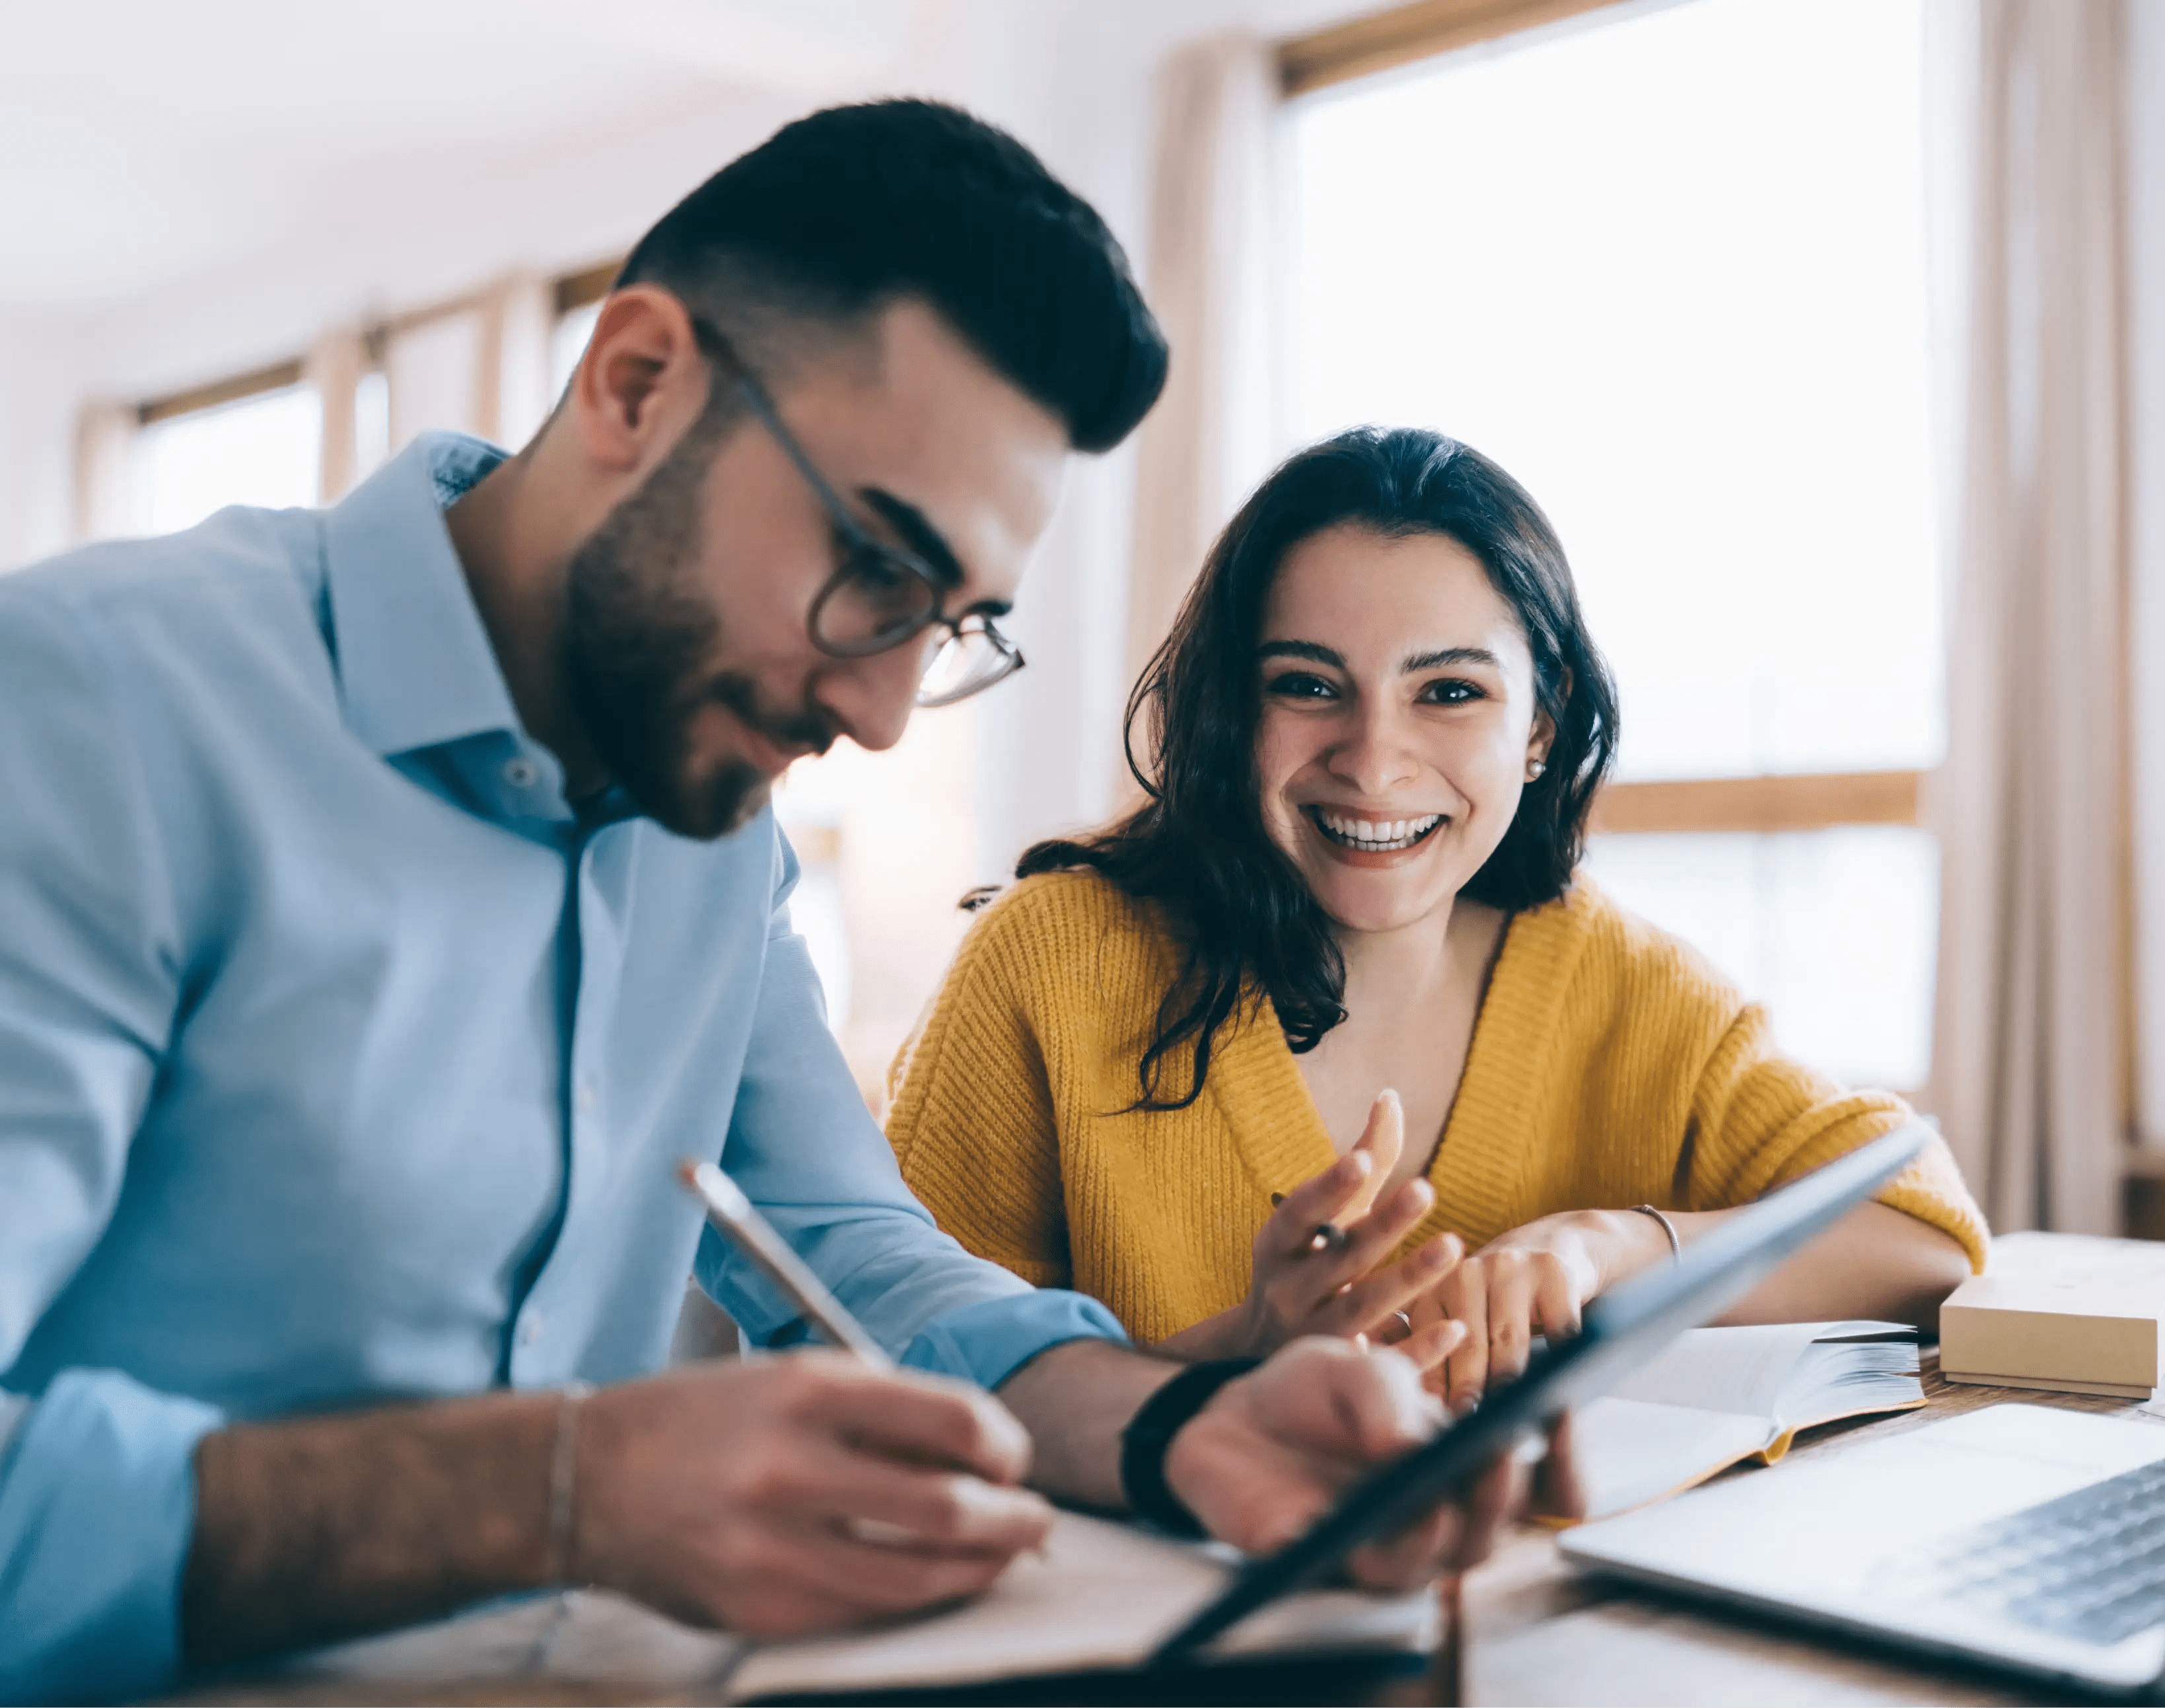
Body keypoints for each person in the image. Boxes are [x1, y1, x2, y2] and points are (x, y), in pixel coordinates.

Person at [0, 107, 1518, 1705]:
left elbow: (853, 1255)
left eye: (948, 626)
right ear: (637, 384)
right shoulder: (84, 714)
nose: (875, 711)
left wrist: (1177, 1429)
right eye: (873, 565)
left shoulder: (707, 822)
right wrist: (564, 1490)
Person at [888, 427, 1989, 1409]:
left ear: (1542, 726)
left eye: (1450, 691)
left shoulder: (1625, 986)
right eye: (1307, 685)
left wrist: (1609, 1243)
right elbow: (890, 1371)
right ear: (1231, 708)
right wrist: (1235, 1357)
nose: (1372, 761)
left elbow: (1926, 1230)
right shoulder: (1048, 965)